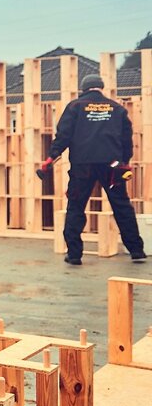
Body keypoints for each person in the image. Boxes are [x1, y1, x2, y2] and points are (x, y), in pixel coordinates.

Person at [38, 73, 145, 265]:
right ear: (100, 88)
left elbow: (63, 135)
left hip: (82, 165)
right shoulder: (117, 109)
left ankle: (74, 255)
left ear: (84, 89)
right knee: (121, 205)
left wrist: (51, 156)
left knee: (76, 206)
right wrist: (124, 162)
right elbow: (126, 140)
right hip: (112, 165)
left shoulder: (75, 107)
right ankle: (136, 250)